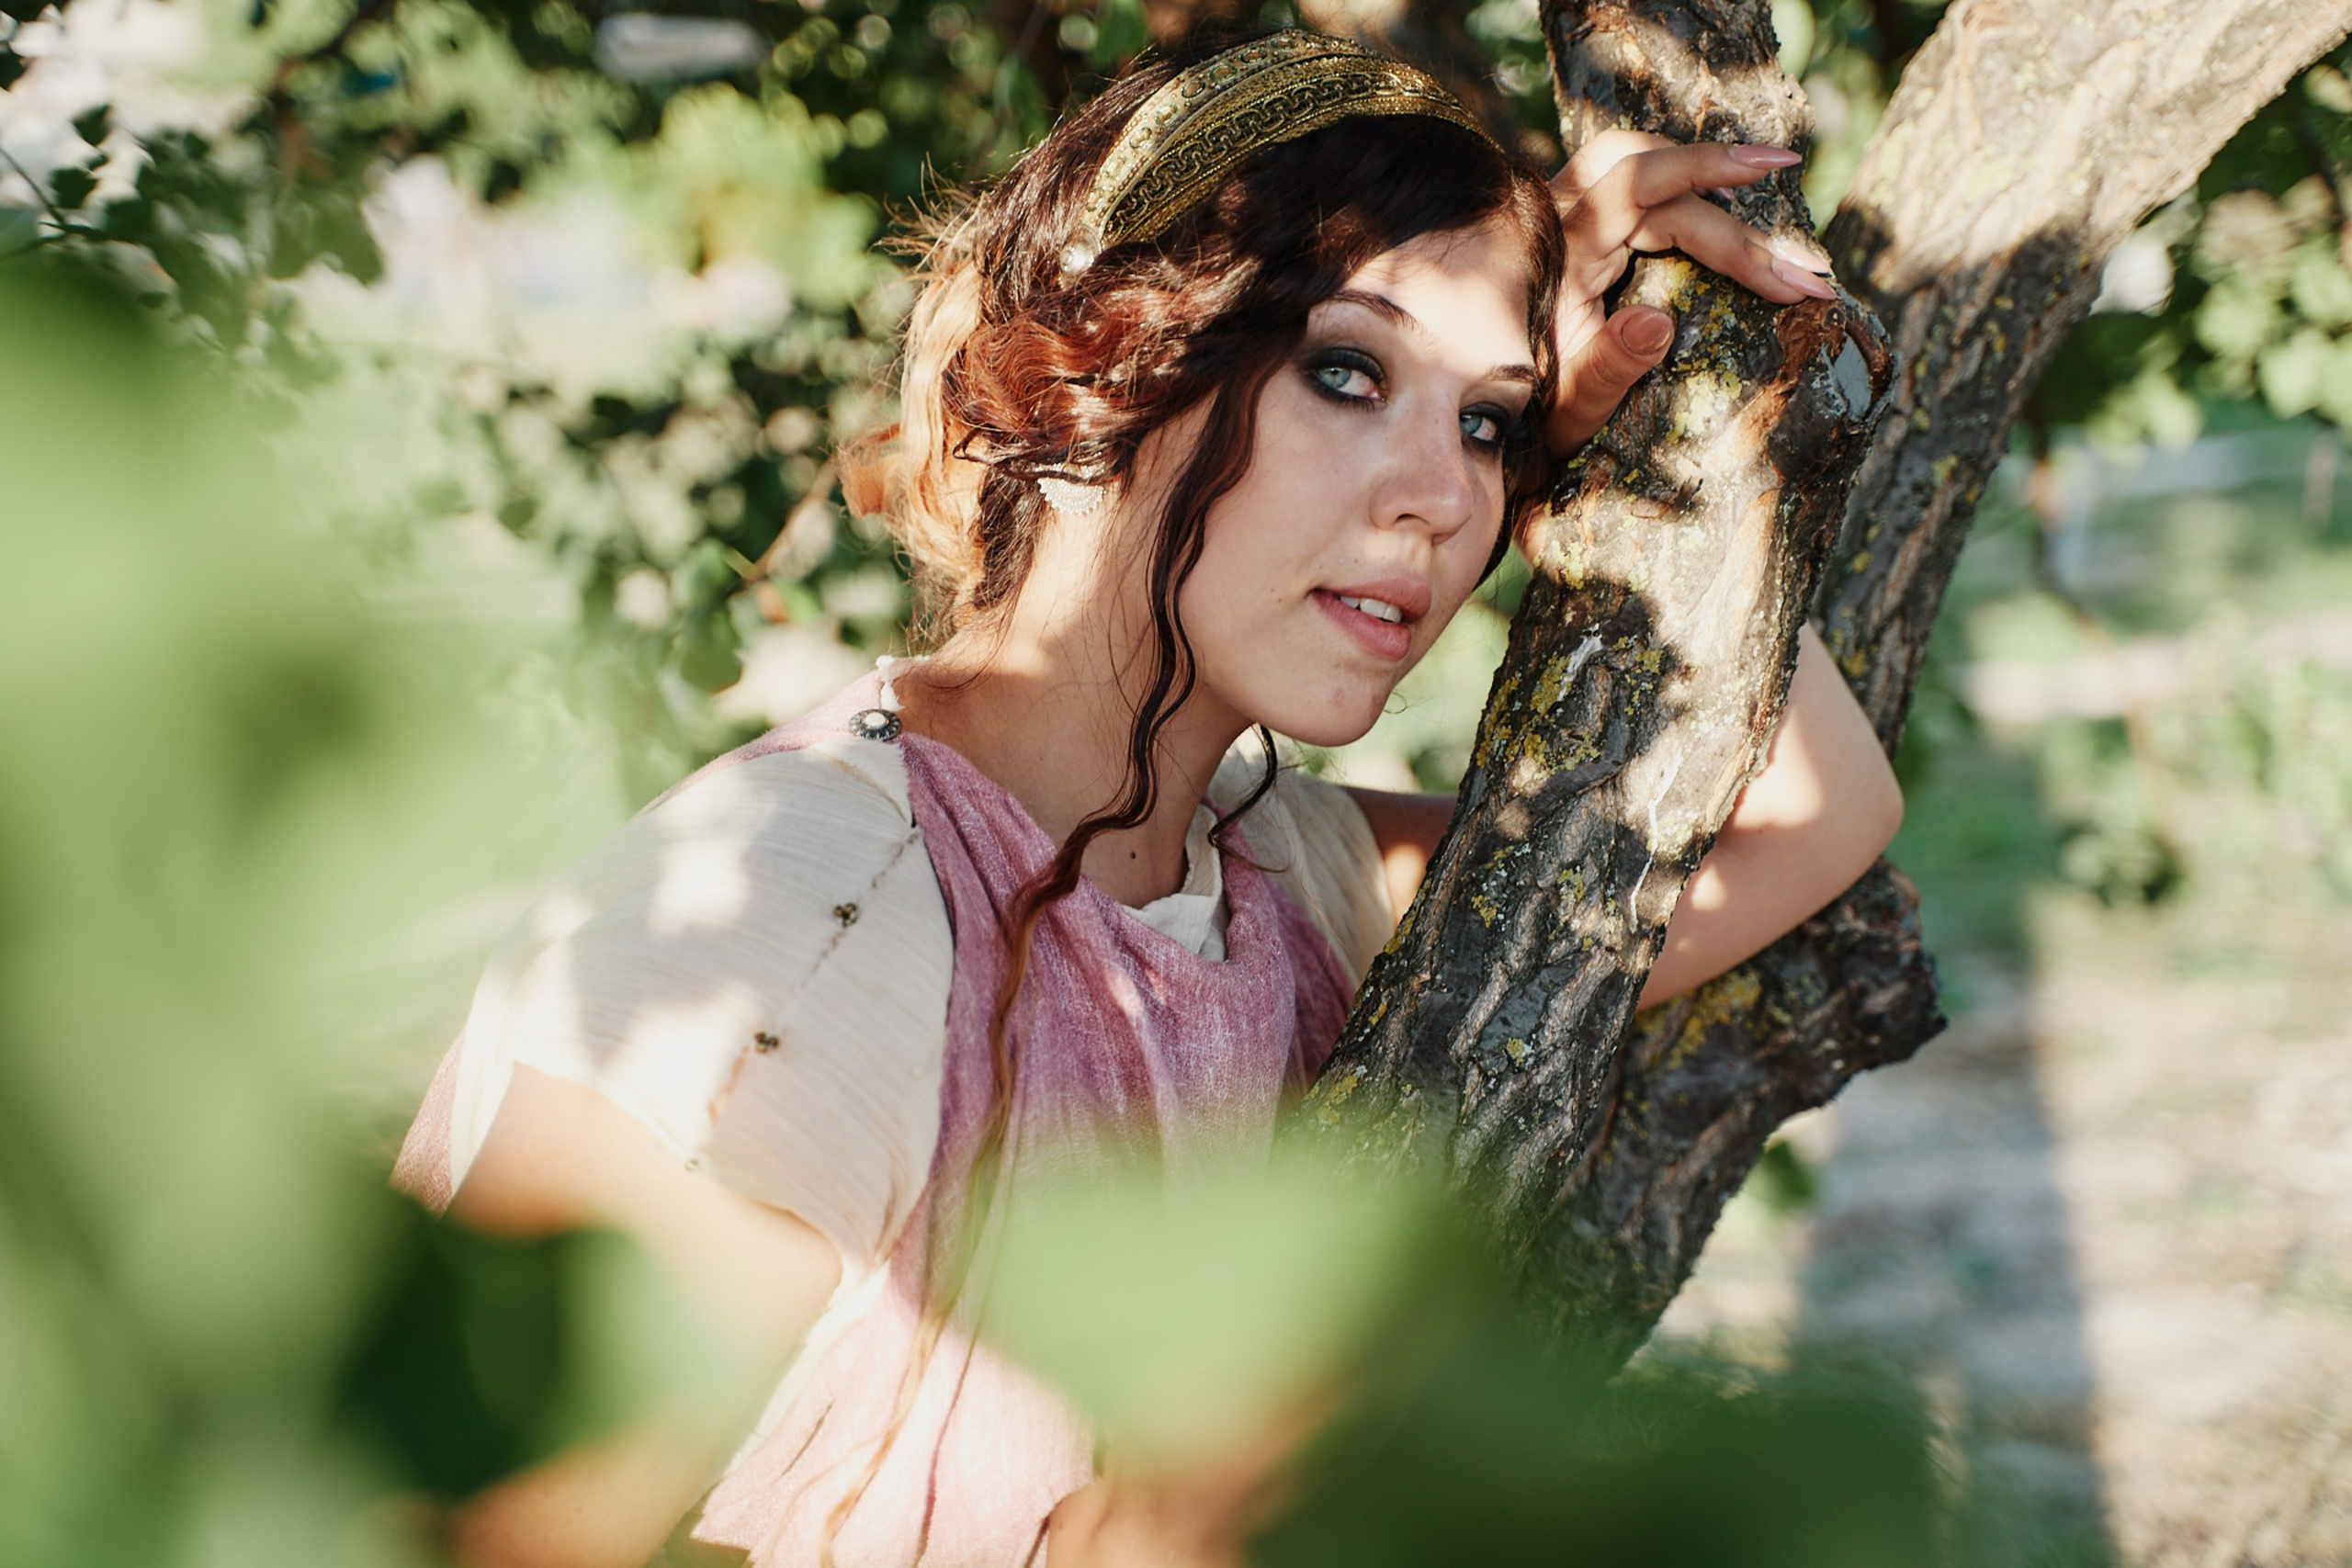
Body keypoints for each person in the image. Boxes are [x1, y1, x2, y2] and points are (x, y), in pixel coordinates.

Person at [393, 27, 1900, 1568]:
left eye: (1488, 423)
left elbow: (1812, 819)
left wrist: (1641, 437)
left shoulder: (1266, 880)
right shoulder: (799, 938)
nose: (1448, 499)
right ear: (1107, 365)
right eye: (1347, 371)